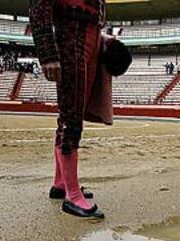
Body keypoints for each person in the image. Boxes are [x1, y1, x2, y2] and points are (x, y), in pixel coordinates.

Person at [29, 0, 108, 219]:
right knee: (71, 117)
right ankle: (72, 196)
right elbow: (39, 7)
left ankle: (61, 184)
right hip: (71, 42)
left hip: (88, 44)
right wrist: (47, 54)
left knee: (70, 114)